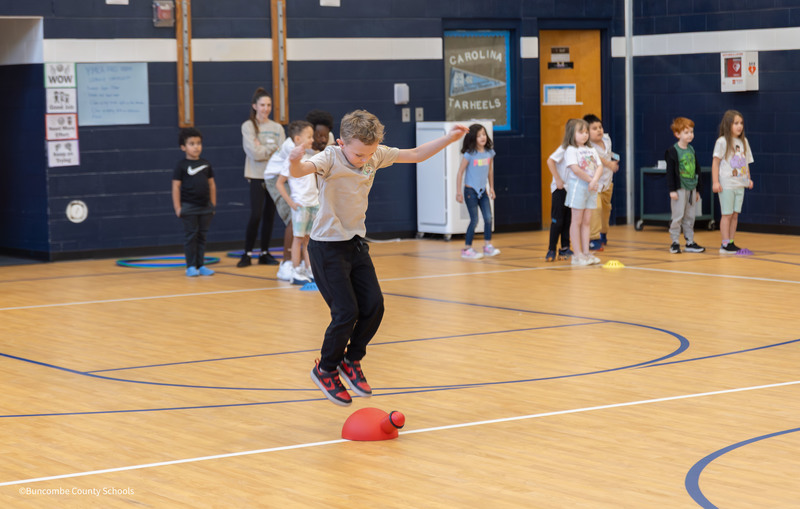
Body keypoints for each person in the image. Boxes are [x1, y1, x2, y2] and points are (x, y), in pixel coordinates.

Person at [289, 109, 468, 406]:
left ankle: (351, 360)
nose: (363, 161)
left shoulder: (374, 155)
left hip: (355, 243)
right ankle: (326, 368)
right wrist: (295, 158)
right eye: (358, 155)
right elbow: (299, 171)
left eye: (368, 155)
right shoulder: (329, 157)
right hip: (326, 247)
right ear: (341, 142)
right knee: (346, 312)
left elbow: (416, 154)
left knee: (374, 306)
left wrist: (449, 138)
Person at [237, 87, 286, 268]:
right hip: (256, 176)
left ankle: (265, 252)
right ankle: (247, 253)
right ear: (255, 106)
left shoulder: (277, 128)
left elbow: (282, 153)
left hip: (273, 176)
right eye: (262, 105)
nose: (266, 108)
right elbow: (254, 153)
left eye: (269, 105)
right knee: (256, 214)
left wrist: (263, 148)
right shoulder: (248, 126)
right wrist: (269, 149)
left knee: (269, 215)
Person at [276, 120, 318, 285]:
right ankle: (295, 270)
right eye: (309, 137)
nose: (312, 140)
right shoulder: (291, 159)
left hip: (313, 203)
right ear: (298, 139)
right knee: (298, 238)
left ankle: (309, 268)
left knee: (309, 239)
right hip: (300, 205)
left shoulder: (310, 156)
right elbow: (280, 183)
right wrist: (291, 203)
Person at [172, 128, 216, 277]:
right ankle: (190, 266)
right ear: (183, 147)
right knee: (191, 236)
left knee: (202, 236)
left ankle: (201, 265)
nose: (196, 146)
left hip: (205, 207)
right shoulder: (181, 166)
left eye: (198, 143)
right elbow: (176, 187)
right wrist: (178, 207)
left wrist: (213, 205)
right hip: (189, 207)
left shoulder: (206, 164)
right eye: (192, 144)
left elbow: (212, 185)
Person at [455, 123, 500, 260]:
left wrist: (491, 187)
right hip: (470, 191)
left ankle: (487, 246)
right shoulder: (470, 154)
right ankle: (467, 248)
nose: (482, 137)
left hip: (483, 191)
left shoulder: (489, 153)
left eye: (484, 134)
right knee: (474, 220)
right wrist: (459, 192)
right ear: (473, 137)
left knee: (488, 218)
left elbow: (490, 171)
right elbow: (460, 172)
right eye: (479, 135)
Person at [712, 109, 753, 254]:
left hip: (740, 184)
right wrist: (715, 182)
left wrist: (748, 178)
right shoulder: (722, 141)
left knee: (735, 215)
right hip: (727, 184)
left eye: (741, 123)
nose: (739, 126)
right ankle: (724, 244)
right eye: (736, 123)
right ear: (728, 124)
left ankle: (731, 242)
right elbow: (715, 163)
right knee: (727, 214)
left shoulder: (744, 142)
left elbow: (745, 162)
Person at [564, 118, 603, 266]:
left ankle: (586, 252)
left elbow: (599, 166)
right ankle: (577, 254)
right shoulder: (571, 150)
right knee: (577, 221)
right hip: (578, 186)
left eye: (586, 132)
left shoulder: (591, 149)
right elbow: (575, 169)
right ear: (572, 134)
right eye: (581, 132)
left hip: (591, 187)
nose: (585, 135)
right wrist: (590, 180)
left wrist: (594, 181)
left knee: (587, 221)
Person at [665, 117, 705, 254]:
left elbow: (696, 169)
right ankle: (675, 242)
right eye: (686, 132)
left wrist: (698, 189)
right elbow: (670, 172)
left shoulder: (691, 150)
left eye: (692, 132)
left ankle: (689, 242)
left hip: (691, 188)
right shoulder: (672, 151)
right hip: (679, 188)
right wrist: (672, 190)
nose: (690, 135)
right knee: (678, 215)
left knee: (690, 216)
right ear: (677, 134)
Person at [583, 114, 619, 251]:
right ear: (586, 132)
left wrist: (614, 158)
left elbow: (607, 153)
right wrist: (609, 164)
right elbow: (598, 157)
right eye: (594, 128)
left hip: (608, 183)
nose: (599, 130)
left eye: (600, 127)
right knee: (595, 209)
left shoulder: (606, 139)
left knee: (606, 210)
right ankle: (593, 238)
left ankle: (603, 233)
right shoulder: (588, 146)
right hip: (594, 184)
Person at [545, 136, 573, 262]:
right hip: (559, 189)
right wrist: (557, 179)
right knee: (558, 221)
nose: (585, 135)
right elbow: (550, 161)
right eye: (581, 131)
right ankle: (551, 249)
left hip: (571, 190)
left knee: (568, 221)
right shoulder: (564, 148)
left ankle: (565, 248)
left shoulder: (581, 150)